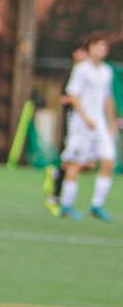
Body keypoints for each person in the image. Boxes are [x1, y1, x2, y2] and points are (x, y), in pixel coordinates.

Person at [59, 33, 117, 222]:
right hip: (81, 124)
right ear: (90, 47)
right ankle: (66, 205)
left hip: (99, 124)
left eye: (104, 47)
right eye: (98, 46)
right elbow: (74, 96)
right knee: (75, 164)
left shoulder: (107, 71)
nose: (101, 50)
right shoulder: (81, 69)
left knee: (108, 162)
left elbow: (108, 98)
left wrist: (112, 122)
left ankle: (97, 206)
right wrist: (86, 117)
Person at [45, 43, 90, 216]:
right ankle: (56, 196)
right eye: (82, 51)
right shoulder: (73, 73)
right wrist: (77, 101)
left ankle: (56, 174)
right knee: (70, 161)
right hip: (73, 123)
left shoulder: (93, 74)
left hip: (89, 125)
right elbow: (64, 98)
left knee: (88, 164)